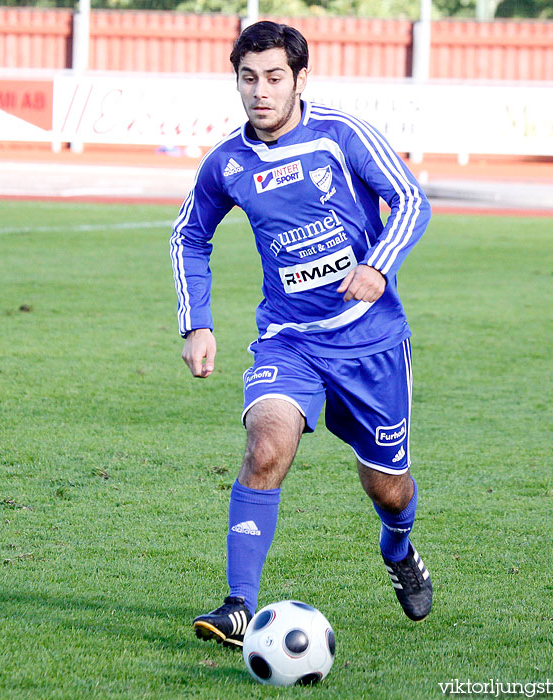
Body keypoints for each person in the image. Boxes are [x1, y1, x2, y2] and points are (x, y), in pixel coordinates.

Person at [170, 20, 432, 649]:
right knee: (265, 449)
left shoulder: (340, 136)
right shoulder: (227, 163)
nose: (261, 91)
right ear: (236, 82)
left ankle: (398, 550)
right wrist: (197, 322)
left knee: (388, 488)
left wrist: (377, 266)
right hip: (289, 341)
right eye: (248, 78)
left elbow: (411, 200)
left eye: (274, 77)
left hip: (370, 344)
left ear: (299, 79)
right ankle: (239, 607)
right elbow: (189, 236)